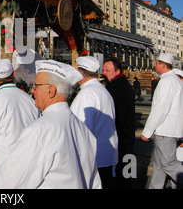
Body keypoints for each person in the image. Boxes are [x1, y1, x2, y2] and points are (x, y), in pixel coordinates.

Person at [0, 60, 101, 189]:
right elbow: (95, 183)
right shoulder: (83, 129)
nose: (33, 90)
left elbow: (7, 181)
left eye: (36, 86)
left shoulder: (39, 130)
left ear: (50, 91)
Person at [70, 56, 118, 188]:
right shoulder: (102, 91)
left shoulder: (87, 94)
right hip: (106, 154)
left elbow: (80, 129)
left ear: (80, 73)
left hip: (95, 157)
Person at [141, 53, 183, 189]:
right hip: (168, 130)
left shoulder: (167, 81)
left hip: (165, 130)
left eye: (157, 63)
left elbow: (161, 109)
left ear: (163, 65)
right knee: (159, 166)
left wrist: (147, 131)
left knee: (168, 164)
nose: (155, 65)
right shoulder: (174, 80)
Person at [102, 56, 135, 188]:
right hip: (128, 135)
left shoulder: (116, 88)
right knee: (127, 171)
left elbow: (118, 116)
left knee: (123, 172)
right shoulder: (123, 85)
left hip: (121, 136)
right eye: (103, 70)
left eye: (107, 70)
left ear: (117, 71)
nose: (103, 73)